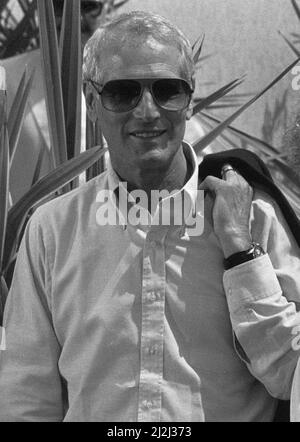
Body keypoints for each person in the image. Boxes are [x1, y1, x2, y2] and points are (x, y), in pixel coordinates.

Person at [0, 10, 300, 422]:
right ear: (91, 102)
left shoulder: (254, 220)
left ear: (190, 101)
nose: (147, 111)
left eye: (167, 91)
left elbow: (292, 376)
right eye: (123, 93)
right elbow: (27, 398)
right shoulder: (51, 231)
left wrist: (241, 253)